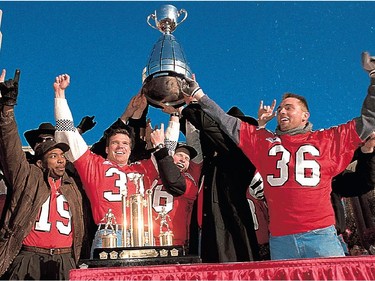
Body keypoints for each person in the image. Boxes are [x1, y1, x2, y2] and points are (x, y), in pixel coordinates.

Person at [180, 51, 375, 260]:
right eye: (281, 108)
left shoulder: (327, 139)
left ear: (305, 116)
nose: (282, 112)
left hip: (321, 237)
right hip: (281, 240)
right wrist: (200, 96)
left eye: (289, 108)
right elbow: (227, 122)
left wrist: (373, 76)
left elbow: (368, 120)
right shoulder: (264, 142)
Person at [53, 74, 187, 254]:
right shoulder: (94, 165)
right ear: (106, 149)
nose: (120, 146)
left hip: (143, 235)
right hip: (109, 233)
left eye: (125, 143)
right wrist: (60, 95)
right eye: (115, 143)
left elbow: (167, 153)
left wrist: (175, 116)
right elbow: (68, 133)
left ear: (131, 150)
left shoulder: (142, 168)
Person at [0, 69, 84, 279]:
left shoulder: (72, 184)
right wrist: (7, 108)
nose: (61, 159)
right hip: (29, 257)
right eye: (54, 155)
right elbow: (9, 147)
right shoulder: (27, 176)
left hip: (65, 259)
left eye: (62, 155)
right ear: (39, 161)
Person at [181, 102, 263, 262]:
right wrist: (178, 111)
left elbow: (210, 130)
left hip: (230, 239)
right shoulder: (211, 162)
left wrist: (190, 105)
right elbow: (197, 137)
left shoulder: (240, 156)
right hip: (204, 235)